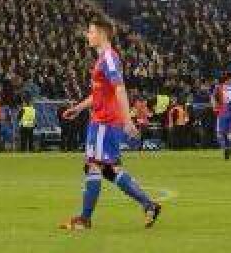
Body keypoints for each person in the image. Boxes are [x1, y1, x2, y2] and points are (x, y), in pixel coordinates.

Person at [59, 18, 161, 231]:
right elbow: (99, 94)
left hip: (104, 122)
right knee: (110, 170)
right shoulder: (103, 59)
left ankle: (85, 219)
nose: (88, 35)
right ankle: (149, 205)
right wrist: (78, 108)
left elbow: (120, 89)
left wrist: (127, 121)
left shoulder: (109, 58)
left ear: (102, 35)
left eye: (91, 31)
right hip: (104, 120)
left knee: (93, 166)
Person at [210, 71, 231, 160]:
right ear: (229, 79)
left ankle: (224, 147)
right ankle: (229, 149)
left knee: (219, 133)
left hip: (222, 112)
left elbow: (212, 97)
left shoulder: (218, 87)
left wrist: (214, 106)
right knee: (230, 133)